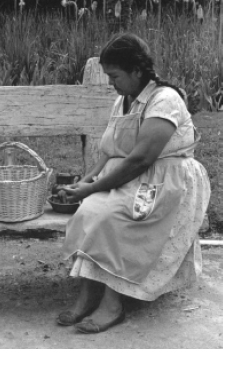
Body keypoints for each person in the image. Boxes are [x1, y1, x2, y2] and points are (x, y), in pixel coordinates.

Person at [56, 33, 210, 334]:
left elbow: (141, 159)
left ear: (136, 71)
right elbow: (110, 151)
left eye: (114, 76)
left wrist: (94, 187)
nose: (111, 82)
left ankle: (113, 303)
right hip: (130, 180)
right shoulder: (123, 100)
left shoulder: (165, 100)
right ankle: (89, 293)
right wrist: (84, 183)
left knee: (114, 219)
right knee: (88, 212)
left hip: (166, 183)